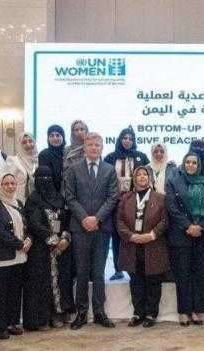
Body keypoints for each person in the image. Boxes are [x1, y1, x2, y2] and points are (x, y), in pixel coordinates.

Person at [63, 132, 119, 330]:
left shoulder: (109, 170)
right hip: (80, 228)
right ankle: (81, 313)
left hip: (101, 228)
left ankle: (99, 312)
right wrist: (84, 218)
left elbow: (113, 197)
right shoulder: (73, 169)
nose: (94, 148)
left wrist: (97, 218)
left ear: (102, 148)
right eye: (90, 144)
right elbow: (69, 196)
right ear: (84, 147)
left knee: (98, 271)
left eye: (97, 145)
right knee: (81, 271)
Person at [116, 166, 169, 328]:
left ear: (149, 178)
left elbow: (165, 220)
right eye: (138, 174)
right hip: (132, 245)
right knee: (136, 281)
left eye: (145, 174)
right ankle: (138, 313)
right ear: (134, 179)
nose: (142, 177)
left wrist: (151, 235)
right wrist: (131, 236)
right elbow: (119, 221)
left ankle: (151, 314)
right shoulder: (125, 198)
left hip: (153, 244)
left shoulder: (160, 198)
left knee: (153, 280)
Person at [165, 152, 204, 326]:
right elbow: (171, 207)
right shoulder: (173, 181)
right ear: (183, 164)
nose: (191, 165)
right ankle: (184, 311)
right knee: (183, 274)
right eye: (188, 162)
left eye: (194, 163)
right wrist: (188, 226)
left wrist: (200, 227)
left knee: (200, 274)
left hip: (201, 234)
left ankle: (196, 310)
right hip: (180, 233)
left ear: (198, 165)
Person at [23, 165, 73, 330]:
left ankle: (58, 313)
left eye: (48, 177)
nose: (45, 181)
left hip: (61, 249)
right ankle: (42, 318)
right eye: (41, 178)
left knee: (61, 281)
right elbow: (34, 223)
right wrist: (52, 239)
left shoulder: (59, 198)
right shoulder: (33, 199)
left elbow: (67, 220)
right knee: (41, 283)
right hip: (41, 249)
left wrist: (64, 238)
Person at [0, 173, 32, 340]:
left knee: (15, 292)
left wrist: (29, 239)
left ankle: (13, 323)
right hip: (1, 258)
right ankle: (1, 327)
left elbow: (26, 225)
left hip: (19, 257)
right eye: (6, 183)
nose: (10, 186)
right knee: (0, 294)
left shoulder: (18, 203)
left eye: (12, 183)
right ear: (0, 185)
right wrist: (19, 244)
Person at [105, 127, 150, 282]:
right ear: (120, 140)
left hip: (135, 201)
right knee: (117, 234)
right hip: (115, 202)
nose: (127, 141)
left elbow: (149, 175)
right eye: (125, 138)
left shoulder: (140, 156)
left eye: (131, 139)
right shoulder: (110, 157)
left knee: (134, 233)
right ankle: (118, 269)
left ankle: (134, 268)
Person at [7, 132, 38, 203]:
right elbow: (8, 183)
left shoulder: (38, 160)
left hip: (36, 200)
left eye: (30, 141)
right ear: (20, 145)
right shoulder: (14, 161)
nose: (28, 144)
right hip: (19, 200)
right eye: (24, 142)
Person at [37, 125, 66, 193]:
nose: (55, 138)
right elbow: (44, 178)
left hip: (68, 192)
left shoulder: (67, 153)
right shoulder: (44, 154)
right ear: (48, 138)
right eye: (52, 136)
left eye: (58, 135)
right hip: (51, 193)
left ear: (63, 137)